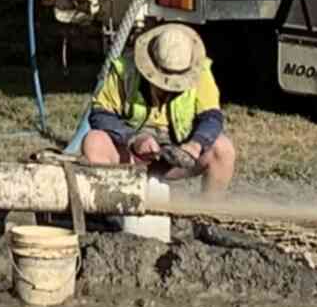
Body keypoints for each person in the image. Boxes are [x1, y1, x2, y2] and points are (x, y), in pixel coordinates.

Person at [73, 19, 235, 193]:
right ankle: (114, 203)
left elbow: (212, 118)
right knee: (94, 141)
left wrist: (195, 144)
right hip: (129, 155)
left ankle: (208, 209)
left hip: (176, 156)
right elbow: (100, 114)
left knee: (223, 149)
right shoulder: (124, 70)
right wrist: (134, 139)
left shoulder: (200, 72)